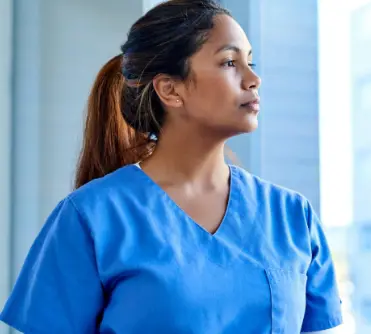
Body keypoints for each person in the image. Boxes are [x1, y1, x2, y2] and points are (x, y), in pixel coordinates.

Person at [0, 1, 343, 333]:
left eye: (251, 62)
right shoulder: (90, 217)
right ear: (170, 89)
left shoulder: (292, 216)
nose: (254, 78)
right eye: (229, 62)